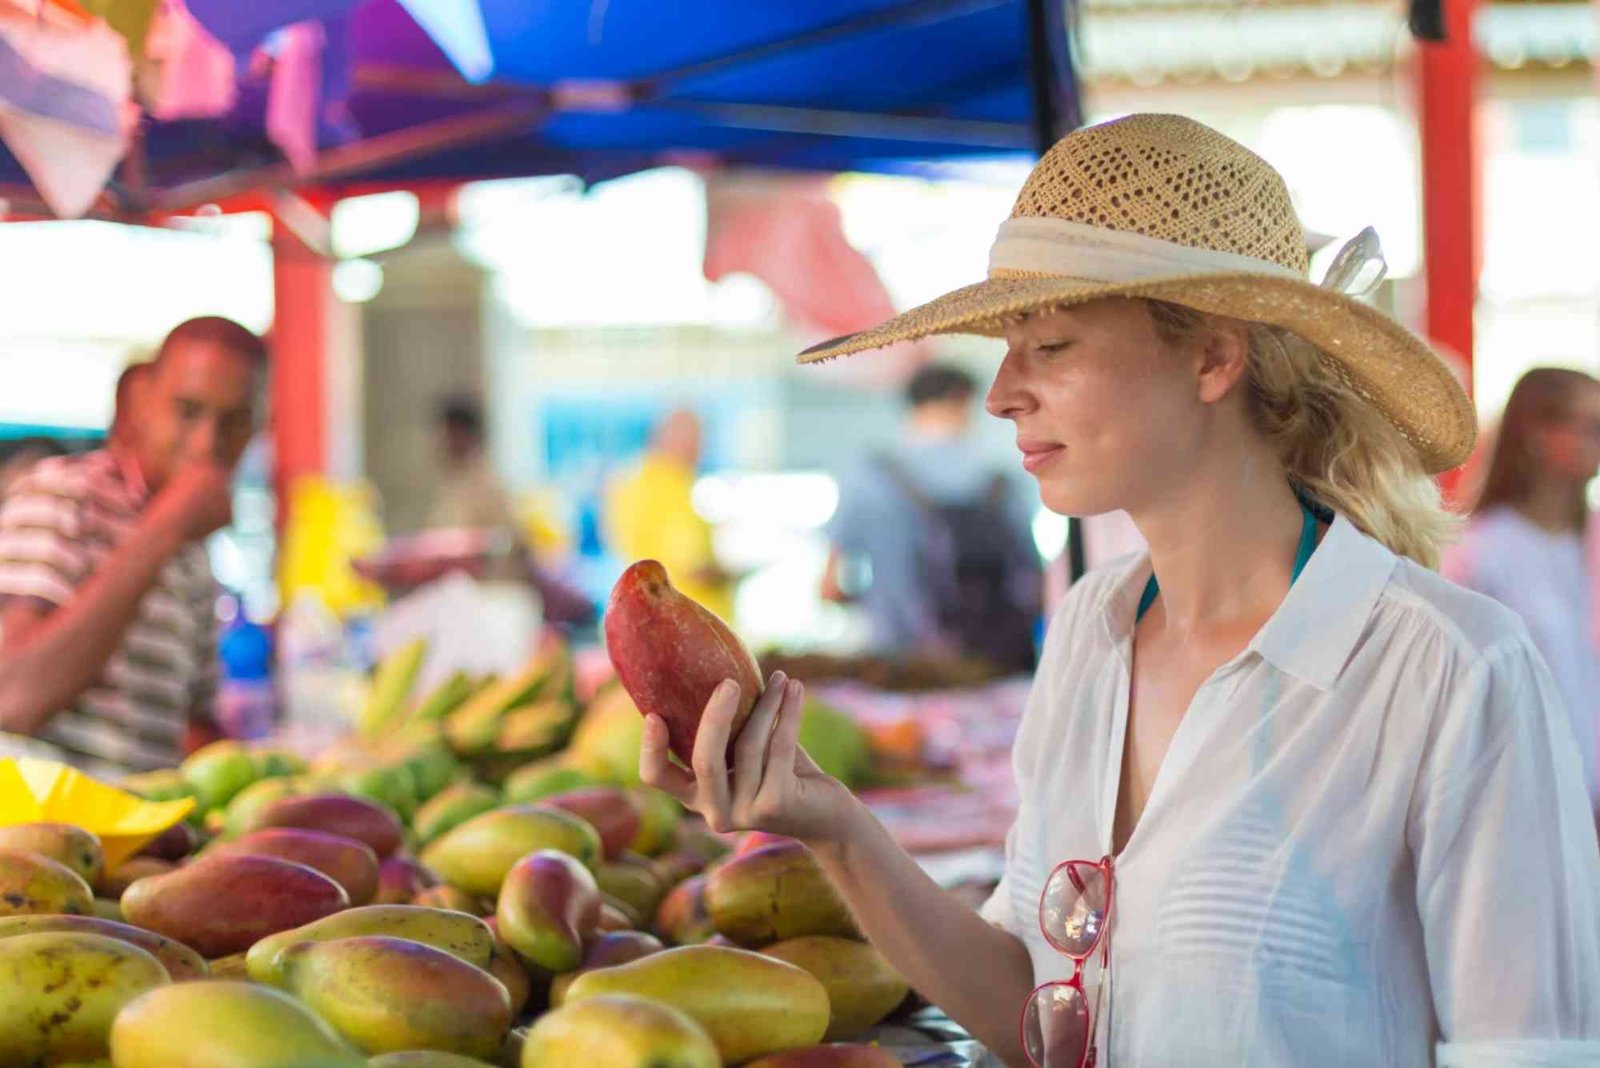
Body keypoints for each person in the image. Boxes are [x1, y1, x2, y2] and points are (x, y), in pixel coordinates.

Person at [639, 114, 1600, 1067]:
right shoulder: (1091, 633)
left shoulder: (1447, 673)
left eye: (1049, 345)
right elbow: (1039, 1007)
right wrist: (834, 825)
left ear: (1214, 357)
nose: (1001, 391)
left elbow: (1527, 1051)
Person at [0, 317, 263, 777]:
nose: (207, 445)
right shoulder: (62, 495)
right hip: (44, 834)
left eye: (235, 423)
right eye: (187, 411)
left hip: (136, 836)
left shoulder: (194, 555)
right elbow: (12, 699)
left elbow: (193, 729)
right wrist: (163, 527)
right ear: (135, 401)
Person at [1446, 368, 1600, 809]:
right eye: (1592, 427)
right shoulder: (1477, 552)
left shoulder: (1591, 539)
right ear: (1537, 433)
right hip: (1523, 793)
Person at [823, 363, 1041, 672]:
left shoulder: (869, 476)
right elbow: (1035, 581)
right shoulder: (1005, 477)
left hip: (900, 663)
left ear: (911, 406)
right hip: (994, 664)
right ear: (966, 401)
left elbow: (829, 587)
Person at [606, 408, 737, 621]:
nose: (701, 449)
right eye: (698, 439)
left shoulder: (628, 483)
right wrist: (732, 575)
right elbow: (694, 568)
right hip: (691, 624)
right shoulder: (676, 485)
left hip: (644, 619)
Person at [426, 397, 519, 534]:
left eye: (452, 433)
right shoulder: (450, 483)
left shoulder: (488, 485)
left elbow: (507, 538)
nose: (445, 441)